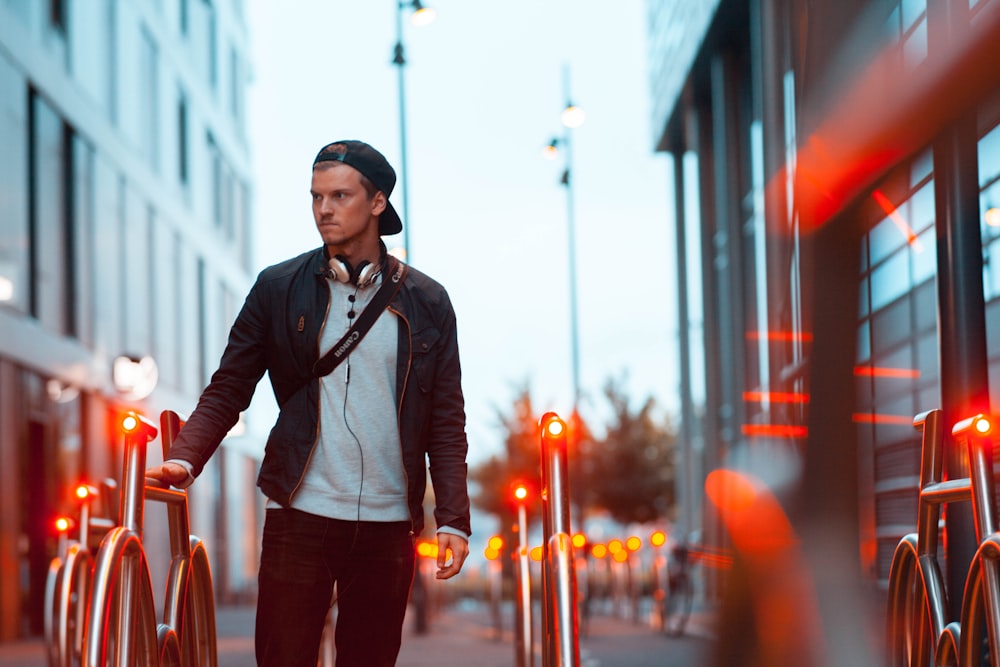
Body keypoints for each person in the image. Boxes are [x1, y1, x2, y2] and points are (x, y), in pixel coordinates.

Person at [146, 139, 472, 666]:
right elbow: (230, 385)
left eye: (340, 195)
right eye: (316, 196)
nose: (324, 209)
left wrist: (454, 518)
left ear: (377, 202)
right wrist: (185, 457)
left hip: (388, 525)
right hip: (298, 513)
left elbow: (446, 420)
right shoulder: (278, 287)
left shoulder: (427, 301)